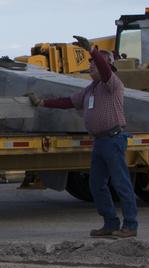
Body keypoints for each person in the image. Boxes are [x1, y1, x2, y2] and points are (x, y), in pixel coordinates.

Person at [29, 37, 138, 238]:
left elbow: (105, 71)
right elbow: (68, 101)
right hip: (100, 142)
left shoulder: (112, 84)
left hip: (113, 139)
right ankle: (110, 223)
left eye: (94, 64)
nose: (90, 67)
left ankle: (130, 225)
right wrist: (42, 103)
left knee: (121, 184)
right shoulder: (90, 89)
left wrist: (92, 51)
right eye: (89, 64)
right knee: (96, 185)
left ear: (107, 66)